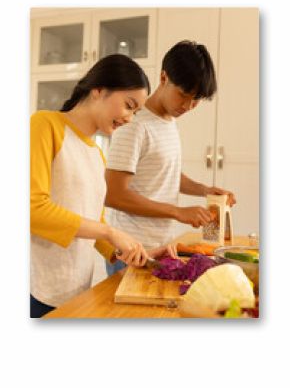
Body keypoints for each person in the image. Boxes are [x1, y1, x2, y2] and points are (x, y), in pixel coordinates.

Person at [30, 54, 155, 318]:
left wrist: (125, 251)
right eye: (129, 105)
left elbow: (91, 222)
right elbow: (32, 209)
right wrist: (109, 232)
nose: (130, 118)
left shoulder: (97, 154)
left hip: (77, 291)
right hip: (38, 290)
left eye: (135, 112)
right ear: (98, 90)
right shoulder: (45, 125)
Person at [101, 41, 236, 276]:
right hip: (130, 249)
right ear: (164, 77)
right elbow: (113, 195)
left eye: (196, 100)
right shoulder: (133, 124)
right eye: (183, 95)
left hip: (159, 247)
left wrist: (205, 190)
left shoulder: (167, 120)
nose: (188, 106)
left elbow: (165, 173)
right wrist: (177, 211)